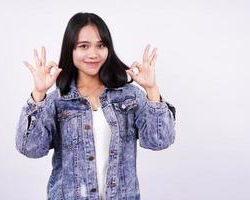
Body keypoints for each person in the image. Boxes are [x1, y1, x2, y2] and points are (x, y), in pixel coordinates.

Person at [16, 12, 176, 200]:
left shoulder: (129, 95)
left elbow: (159, 141)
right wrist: (38, 94)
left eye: (101, 45)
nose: (93, 54)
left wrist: (151, 89)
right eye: (84, 46)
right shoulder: (57, 101)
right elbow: (30, 149)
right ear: (71, 50)